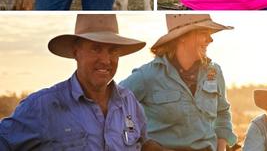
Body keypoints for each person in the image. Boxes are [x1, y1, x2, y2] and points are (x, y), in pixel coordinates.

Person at [0, 14, 155, 150]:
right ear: (76, 53)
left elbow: (141, 143)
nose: (106, 60)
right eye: (96, 49)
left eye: (113, 51)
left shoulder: (129, 102)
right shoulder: (43, 105)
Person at [120, 14, 237, 151]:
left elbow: (222, 112)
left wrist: (221, 147)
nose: (210, 39)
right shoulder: (147, 76)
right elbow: (115, 106)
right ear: (182, 36)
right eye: (204, 33)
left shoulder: (214, 72)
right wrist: (140, 142)